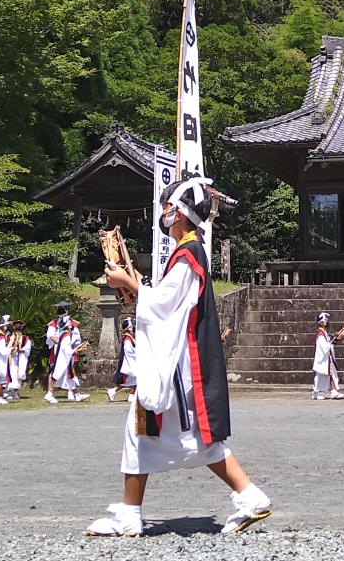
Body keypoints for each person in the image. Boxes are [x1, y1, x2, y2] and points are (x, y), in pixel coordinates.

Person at [87, 176, 271, 538]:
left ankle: (132, 514)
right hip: (180, 361)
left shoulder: (189, 253)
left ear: (182, 214)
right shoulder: (188, 251)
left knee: (152, 431)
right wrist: (134, 284)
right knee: (180, 436)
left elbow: (167, 304)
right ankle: (247, 496)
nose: (165, 213)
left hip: (177, 363)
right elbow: (168, 301)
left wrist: (129, 283)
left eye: (169, 208)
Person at [47, 311, 88, 403]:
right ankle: (49, 394)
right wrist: (74, 351)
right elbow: (66, 350)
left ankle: (77, 395)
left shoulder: (65, 335)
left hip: (65, 358)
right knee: (56, 375)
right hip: (62, 359)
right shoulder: (65, 336)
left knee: (70, 375)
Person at [311, 312, 344, 400]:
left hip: (326, 359)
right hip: (322, 359)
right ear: (321, 322)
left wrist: (334, 338)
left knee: (330, 374)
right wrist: (333, 341)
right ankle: (316, 393)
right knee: (321, 376)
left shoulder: (323, 333)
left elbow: (328, 342)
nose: (327, 322)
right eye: (325, 320)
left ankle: (333, 391)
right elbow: (325, 347)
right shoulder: (320, 335)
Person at [108, 315, 138, 403]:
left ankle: (130, 395)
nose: (132, 328)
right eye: (131, 327)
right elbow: (128, 351)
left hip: (131, 361)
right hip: (129, 362)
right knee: (132, 380)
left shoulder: (130, 337)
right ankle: (129, 395)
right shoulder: (127, 338)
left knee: (132, 381)